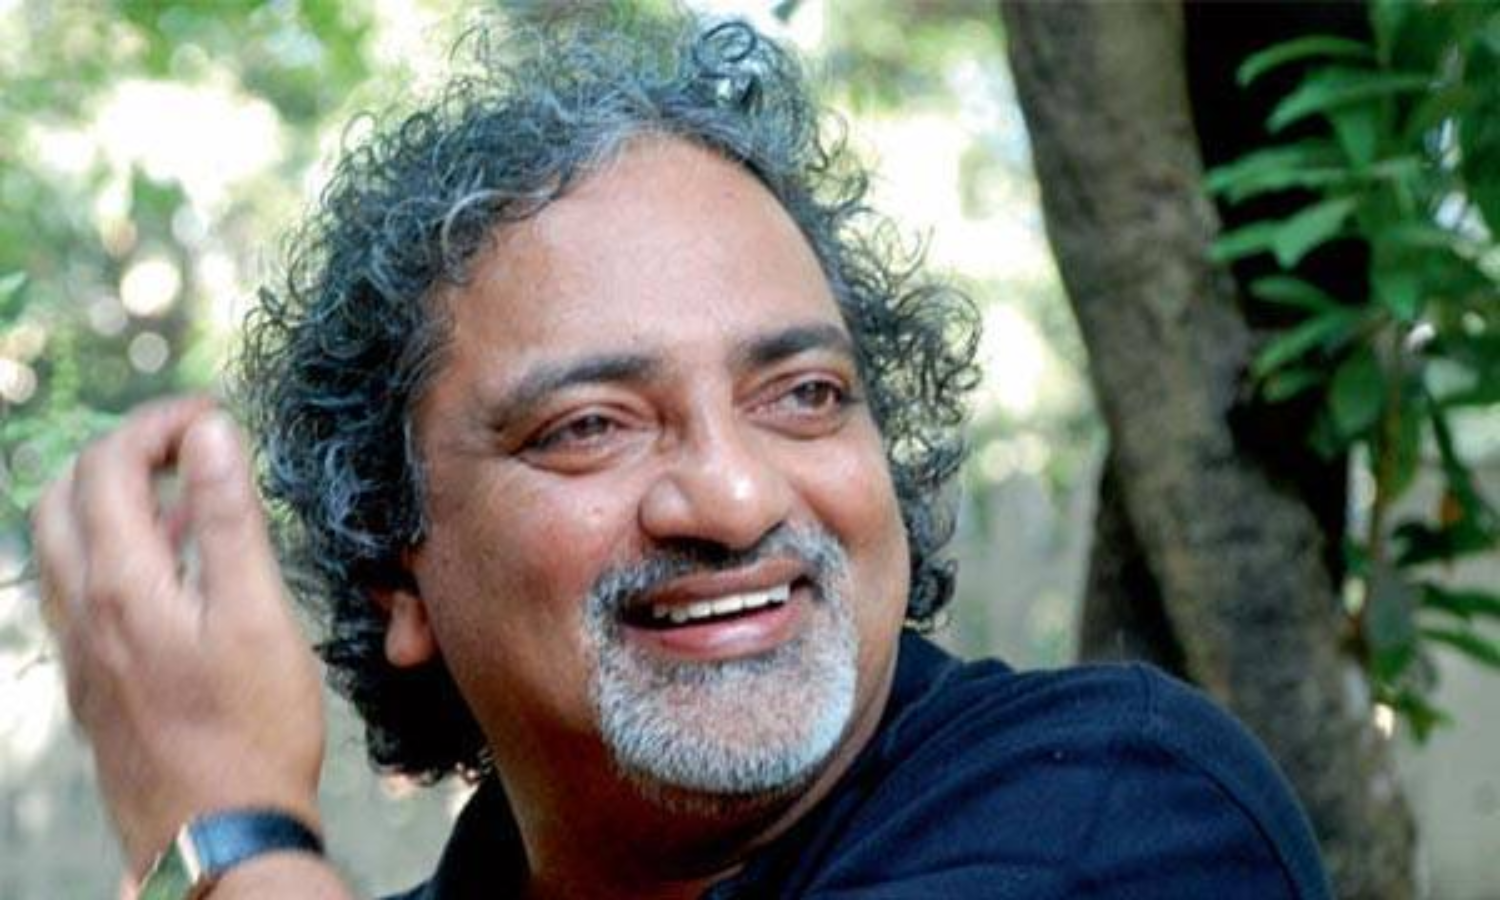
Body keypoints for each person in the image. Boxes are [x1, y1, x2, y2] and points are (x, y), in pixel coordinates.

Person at [30, 10, 1332, 899]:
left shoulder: (1113, 813)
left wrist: (227, 838)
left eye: (805, 396)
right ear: (395, 570)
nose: (734, 493)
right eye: (589, 425)